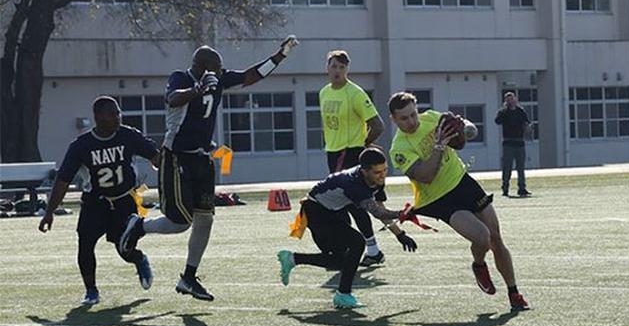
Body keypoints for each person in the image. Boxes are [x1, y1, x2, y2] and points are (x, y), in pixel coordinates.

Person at [118, 35, 299, 301]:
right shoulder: (182, 77)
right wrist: (198, 89)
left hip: (202, 158)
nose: (220, 72)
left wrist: (279, 56)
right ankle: (139, 227)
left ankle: (189, 278)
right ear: (203, 67)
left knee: (205, 219)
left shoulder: (219, 79)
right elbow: (172, 98)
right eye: (216, 68)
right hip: (177, 156)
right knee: (181, 222)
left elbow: (251, 76)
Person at [387, 92, 530, 311]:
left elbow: (464, 131)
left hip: (462, 181)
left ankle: (514, 293)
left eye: (413, 114)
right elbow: (426, 176)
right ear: (393, 120)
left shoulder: (432, 118)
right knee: (483, 237)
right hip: (439, 198)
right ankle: (479, 264)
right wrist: (438, 146)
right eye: (404, 118)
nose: (411, 121)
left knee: (497, 238)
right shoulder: (399, 148)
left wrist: (464, 126)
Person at [39, 96, 160, 305]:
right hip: (95, 201)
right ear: (98, 117)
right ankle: (91, 290)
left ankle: (139, 259)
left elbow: (156, 157)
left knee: (124, 248)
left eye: (118, 113)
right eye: (112, 114)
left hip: (124, 200)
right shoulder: (81, 145)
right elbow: (63, 179)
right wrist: (50, 211)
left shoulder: (128, 136)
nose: (117, 118)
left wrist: (170, 164)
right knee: (85, 244)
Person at [276, 148, 417, 309]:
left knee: (341, 261)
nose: (383, 175)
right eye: (378, 172)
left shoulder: (375, 179)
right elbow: (377, 212)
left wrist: (400, 234)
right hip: (316, 211)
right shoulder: (353, 184)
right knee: (356, 243)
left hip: (333, 211)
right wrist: (402, 214)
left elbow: (380, 208)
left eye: (385, 170)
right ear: (364, 171)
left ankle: (293, 258)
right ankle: (343, 294)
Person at [319, 50, 386, 266]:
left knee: (354, 205)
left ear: (347, 70)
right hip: (333, 153)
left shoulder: (355, 93)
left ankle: (369, 250)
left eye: (342, 67)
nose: (337, 71)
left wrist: (363, 145)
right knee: (341, 204)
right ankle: (350, 249)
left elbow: (378, 125)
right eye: (334, 66)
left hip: (350, 153)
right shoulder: (324, 93)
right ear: (327, 67)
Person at [494, 91, 531, 197]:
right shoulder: (503, 112)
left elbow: (526, 122)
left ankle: (522, 188)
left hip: (519, 142)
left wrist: (528, 127)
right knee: (507, 167)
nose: (511, 101)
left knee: (521, 167)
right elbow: (497, 121)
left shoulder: (520, 111)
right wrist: (504, 111)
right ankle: (505, 188)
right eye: (508, 99)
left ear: (515, 99)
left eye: (512, 98)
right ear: (505, 101)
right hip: (508, 143)